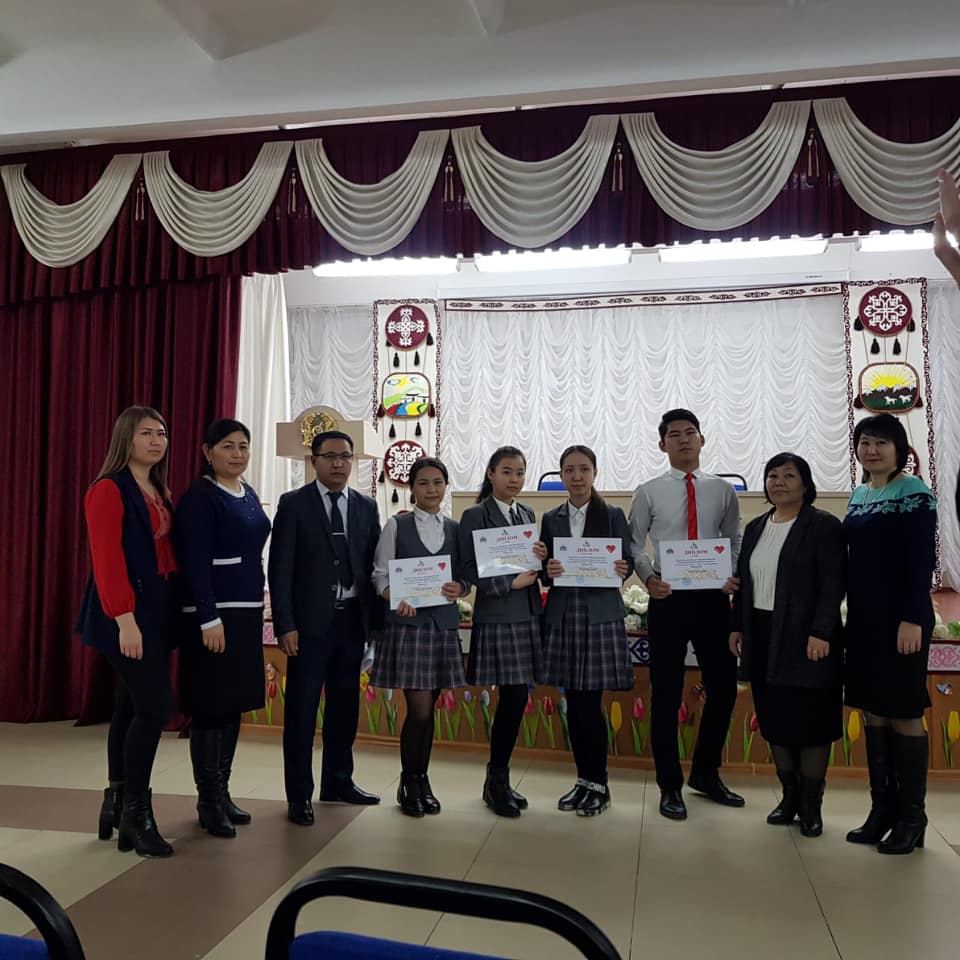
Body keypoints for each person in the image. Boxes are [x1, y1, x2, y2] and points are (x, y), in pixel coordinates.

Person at [629, 408, 743, 821]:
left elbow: (734, 538)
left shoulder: (722, 490)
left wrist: (730, 572)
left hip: (712, 600)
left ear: (702, 439)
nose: (683, 440)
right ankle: (669, 785)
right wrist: (648, 578)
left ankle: (706, 773)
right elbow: (634, 543)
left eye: (690, 432)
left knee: (723, 689)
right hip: (668, 599)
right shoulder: (649, 491)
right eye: (674, 435)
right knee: (666, 692)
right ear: (662, 445)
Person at [77, 406, 178, 858]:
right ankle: (137, 813)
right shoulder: (108, 488)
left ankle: (116, 801)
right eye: (146, 433)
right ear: (126, 438)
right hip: (123, 615)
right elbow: (107, 560)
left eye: (162, 433)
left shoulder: (157, 488)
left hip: (155, 611)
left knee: (128, 704)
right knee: (154, 708)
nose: (157, 441)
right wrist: (125, 619)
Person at [268, 431, 382, 826]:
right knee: (301, 711)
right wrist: (285, 624)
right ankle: (299, 794)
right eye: (330, 456)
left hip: (351, 622)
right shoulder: (294, 504)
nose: (338, 463)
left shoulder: (366, 506)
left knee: (345, 707)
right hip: (308, 626)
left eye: (345, 456)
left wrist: (375, 627)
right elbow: (280, 569)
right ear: (314, 460)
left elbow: (373, 569)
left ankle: (338, 781)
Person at [729, 453, 845, 837]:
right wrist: (737, 626)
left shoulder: (822, 526)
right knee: (775, 717)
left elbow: (833, 583)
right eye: (772, 476)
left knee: (811, 720)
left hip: (806, 635)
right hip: (762, 633)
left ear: (805, 484)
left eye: (789, 475)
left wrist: (822, 632)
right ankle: (789, 797)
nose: (779, 482)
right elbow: (744, 582)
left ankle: (811, 805)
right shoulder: (756, 527)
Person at [844, 414, 937, 855]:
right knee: (873, 712)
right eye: (865, 442)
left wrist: (913, 616)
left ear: (899, 449)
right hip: (865, 618)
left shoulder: (913, 491)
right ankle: (882, 810)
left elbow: (920, 559)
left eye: (882, 442)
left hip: (903, 619)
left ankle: (912, 817)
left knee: (903, 711)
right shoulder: (860, 494)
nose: (872, 450)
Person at [176, 419, 271, 838]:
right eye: (228, 446)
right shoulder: (200, 497)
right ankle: (208, 800)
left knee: (233, 704)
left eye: (243, 446)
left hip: (246, 612)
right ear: (207, 451)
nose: (237, 454)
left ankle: (223, 791)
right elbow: (194, 562)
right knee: (210, 707)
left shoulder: (246, 492)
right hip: (215, 616)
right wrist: (207, 616)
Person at [372, 457, 468, 817]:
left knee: (431, 709)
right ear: (411, 488)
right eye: (424, 483)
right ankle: (409, 781)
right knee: (419, 710)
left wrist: (461, 587)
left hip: (442, 626)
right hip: (409, 627)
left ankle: (421, 779)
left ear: (446, 486)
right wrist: (394, 597)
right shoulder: (396, 526)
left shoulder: (455, 528)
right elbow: (380, 575)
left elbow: (465, 576)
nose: (431, 489)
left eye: (438, 482)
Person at [540, 445, 633, 817]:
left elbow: (625, 562)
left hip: (598, 615)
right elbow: (545, 565)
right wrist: (548, 569)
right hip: (565, 614)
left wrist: (622, 568)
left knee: (590, 704)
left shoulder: (612, 514)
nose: (576, 477)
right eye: (569, 470)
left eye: (583, 469)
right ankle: (583, 781)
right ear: (561, 475)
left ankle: (599, 784)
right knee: (574, 704)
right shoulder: (551, 518)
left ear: (594, 472)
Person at [459, 446, 548, 817]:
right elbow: (468, 567)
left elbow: (527, 563)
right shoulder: (475, 515)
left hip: (526, 615)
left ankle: (499, 779)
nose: (514, 479)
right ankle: (496, 781)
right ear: (491, 474)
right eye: (507, 472)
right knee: (511, 697)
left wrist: (540, 557)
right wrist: (508, 584)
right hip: (498, 614)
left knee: (516, 698)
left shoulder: (526, 513)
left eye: (520, 473)